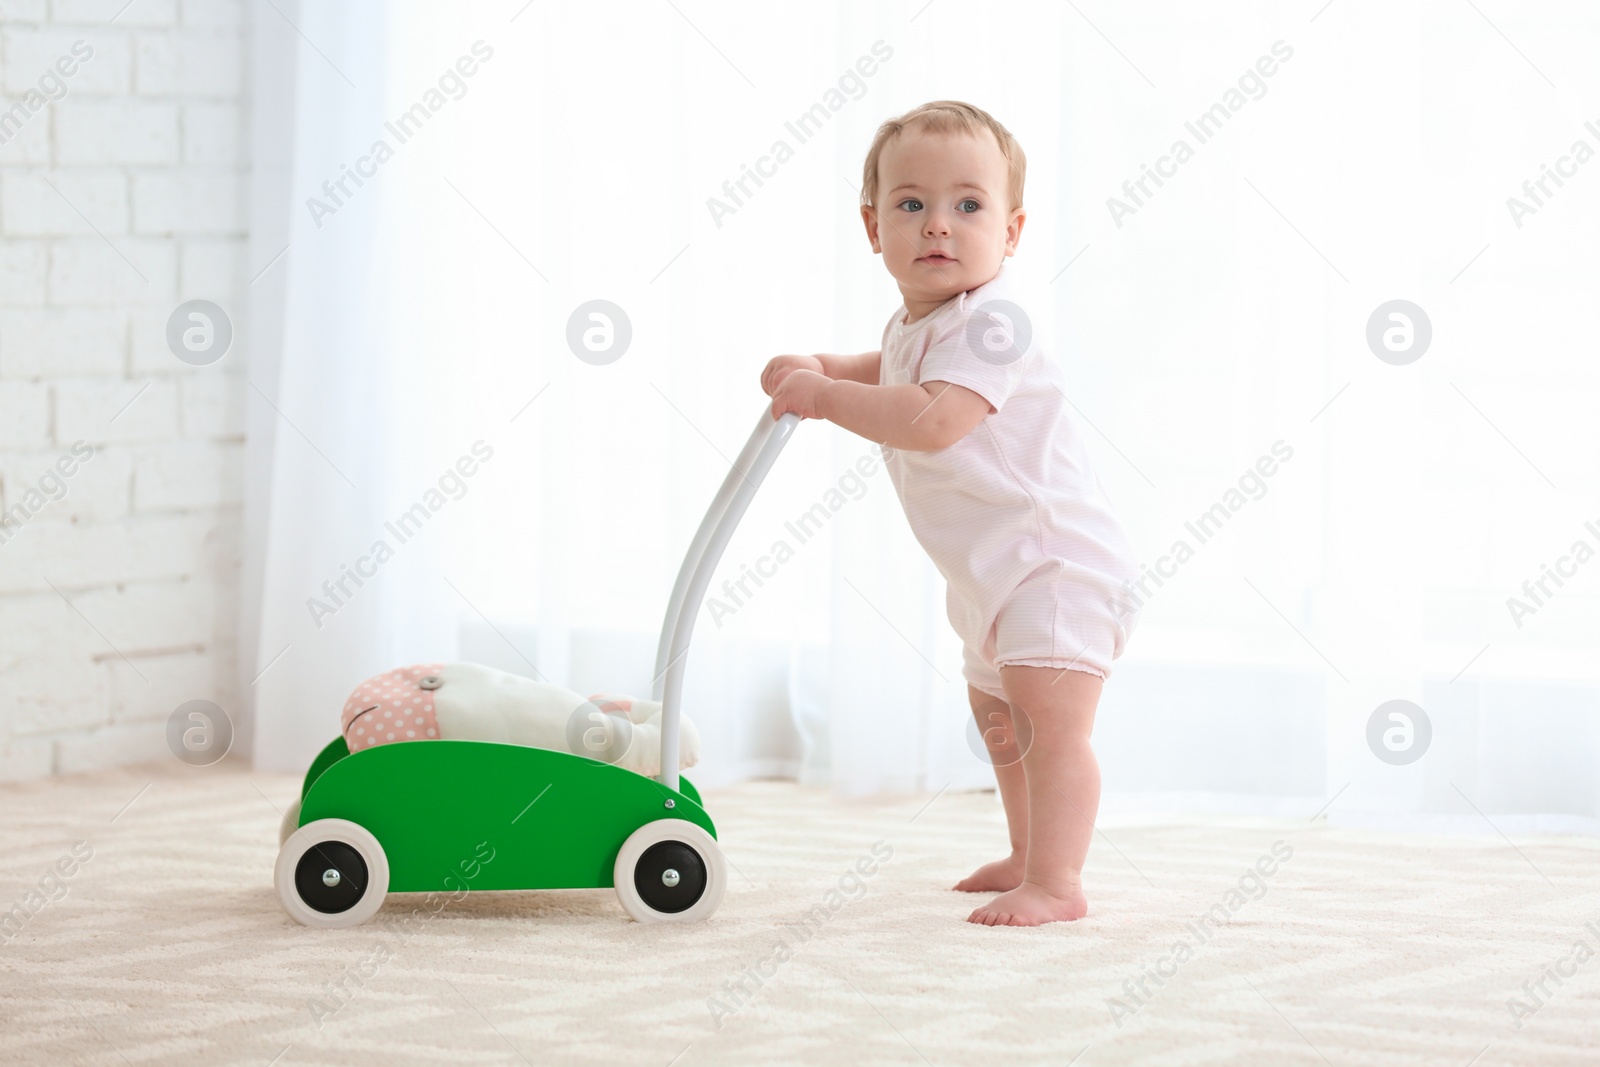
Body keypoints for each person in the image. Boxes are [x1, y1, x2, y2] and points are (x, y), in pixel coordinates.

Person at [762, 100, 1140, 926]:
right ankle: (1027, 849)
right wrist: (829, 364)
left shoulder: (995, 323)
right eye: (911, 204)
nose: (939, 224)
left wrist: (825, 397)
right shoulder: (916, 322)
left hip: (1055, 566)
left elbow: (933, 419)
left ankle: (1059, 880)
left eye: (968, 206)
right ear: (872, 226)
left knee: (1048, 726)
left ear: (1011, 231)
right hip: (988, 573)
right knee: (998, 719)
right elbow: (889, 365)